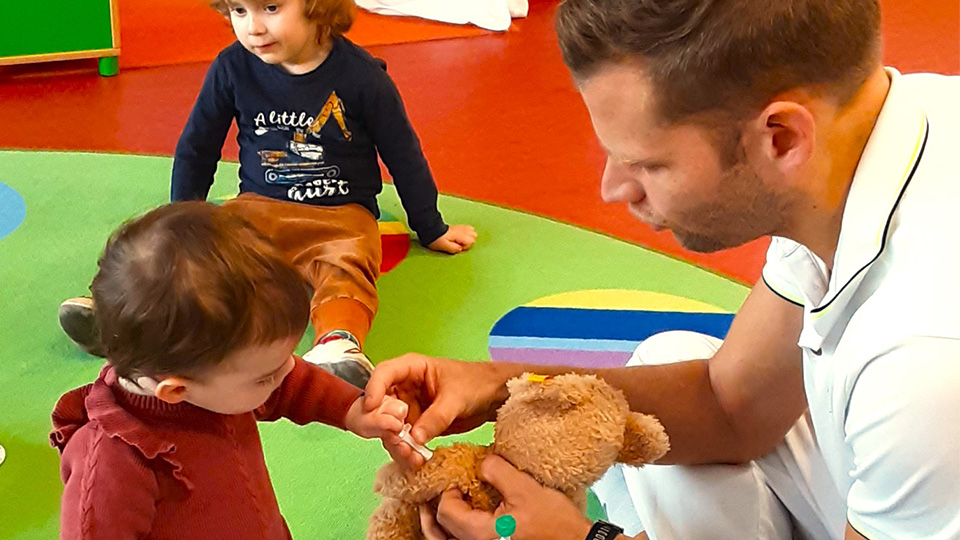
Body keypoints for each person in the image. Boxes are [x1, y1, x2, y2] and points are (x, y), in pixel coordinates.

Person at [362, 0, 960, 539]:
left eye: (644, 163)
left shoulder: (921, 354)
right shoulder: (869, 135)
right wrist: (500, 386)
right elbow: (731, 405)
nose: (611, 189)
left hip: (920, 418)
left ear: (780, 138)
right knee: (656, 364)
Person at [57, 0, 477, 388]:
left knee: (346, 265)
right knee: (202, 258)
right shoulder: (232, 68)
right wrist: (179, 226)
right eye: (239, 9)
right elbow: (197, 147)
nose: (253, 27)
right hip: (256, 211)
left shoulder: (362, 78)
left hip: (342, 217)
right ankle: (119, 315)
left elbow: (403, 154)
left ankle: (337, 344)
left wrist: (429, 225)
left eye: (271, 7)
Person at [51, 202, 409, 539]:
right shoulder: (112, 465)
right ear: (176, 391)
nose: (289, 370)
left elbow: (291, 383)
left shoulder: (217, 381)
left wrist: (351, 410)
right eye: (265, 376)